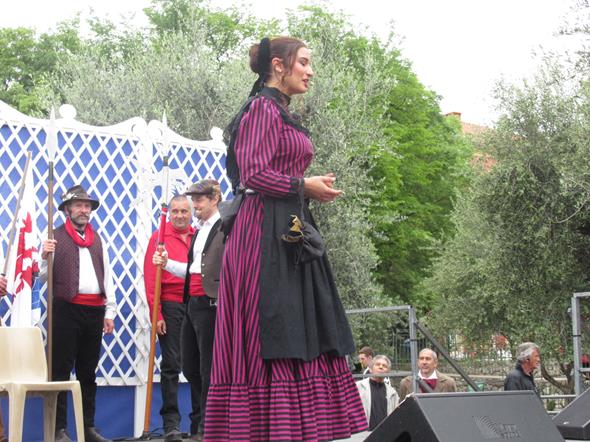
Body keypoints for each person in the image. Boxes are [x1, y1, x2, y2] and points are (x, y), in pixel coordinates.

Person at [203, 37, 367, 441]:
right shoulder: (261, 108)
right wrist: (303, 185)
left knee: (297, 324)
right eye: (304, 63)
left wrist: (305, 186)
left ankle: (294, 428)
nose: (310, 71)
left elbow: (272, 172)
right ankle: (263, 430)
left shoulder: (278, 109)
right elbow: (253, 174)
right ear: (279, 65)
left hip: (285, 228)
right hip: (261, 235)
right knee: (274, 325)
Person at [41, 185, 116, 442]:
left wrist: (110, 311)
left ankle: (88, 428)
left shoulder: (98, 240)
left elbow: (107, 277)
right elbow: (41, 276)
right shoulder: (54, 237)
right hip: (66, 310)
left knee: (88, 372)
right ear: (68, 210)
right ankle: (58, 429)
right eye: (79, 206)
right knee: (60, 371)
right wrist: (44, 256)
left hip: (94, 310)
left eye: (87, 206)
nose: (84, 210)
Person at [153, 180, 224, 441]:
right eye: (193, 200)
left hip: (211, 303)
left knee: (207, 367)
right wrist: (167, 264)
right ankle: (201, 422)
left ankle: (207, 426)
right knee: (191, 366)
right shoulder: (200, 231)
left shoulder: (224, 228)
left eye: (199, 200)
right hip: (192, 302)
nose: (195, 205)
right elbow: (192, 270)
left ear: (214, 199)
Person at [143, 195, 195, 442]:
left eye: (184, 211)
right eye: (175, 211)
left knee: (198, 366)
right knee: (172, 364)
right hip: (171, 304)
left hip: (196, 303)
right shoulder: (159, 238)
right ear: (169, 213)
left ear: (191, 213)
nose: (180, 215)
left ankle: (200, 422)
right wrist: (157, 313)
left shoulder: (198, 236)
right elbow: (150, 277)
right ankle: (171, 424)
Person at [356, 355, 399, 430]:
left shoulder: (392, 393)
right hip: (362, 433)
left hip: (385, 433)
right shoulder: (358, 387)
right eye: (377, 364)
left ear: (388, 372)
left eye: (384, 366)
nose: (381, 367)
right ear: (370, 369)